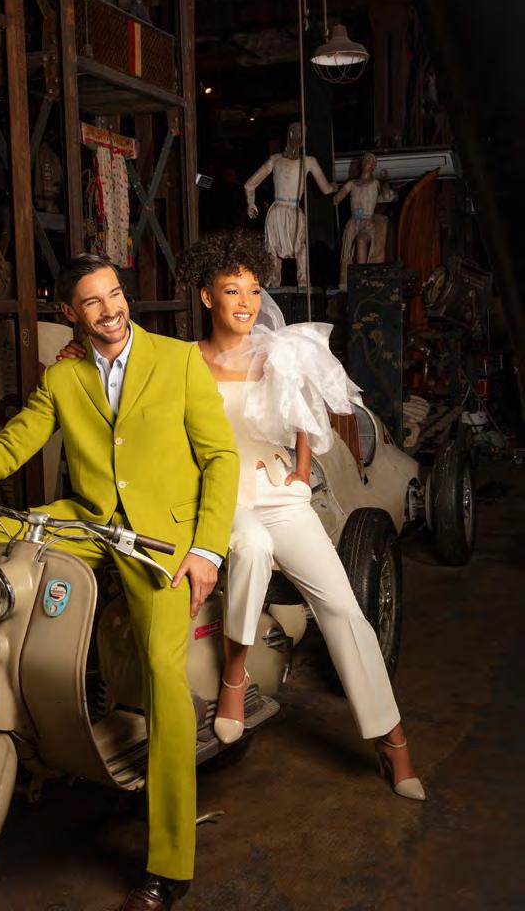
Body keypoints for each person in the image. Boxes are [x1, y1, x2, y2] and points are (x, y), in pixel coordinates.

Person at [0, 255, 240, 911]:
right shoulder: (63, 376)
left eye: (115, 294)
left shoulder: (178, 361)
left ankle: (170, 863)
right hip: (88, 521)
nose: (111, 310)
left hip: (163, 541)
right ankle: (3, 708)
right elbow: (12, 445)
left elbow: (220, 457)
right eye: (93, 301)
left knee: (163, 676)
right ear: (70, 312)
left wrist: (205, 551)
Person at [180, 230, 425, 801]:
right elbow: (124, 367)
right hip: (219, 498)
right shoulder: (182, 361)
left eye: (254, 290)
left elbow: (302, 415)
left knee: (342, 607)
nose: (246, 302)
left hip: (277, 491)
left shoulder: (278, 353)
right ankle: (235, 676)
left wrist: (302, 469)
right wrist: (77, 353)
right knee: (253, 549)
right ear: (207, 297)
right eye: (232, 290)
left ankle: (391, 739)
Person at [244, 122, 337, 288]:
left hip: (293, 212)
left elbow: (325, 189)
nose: (300, 137)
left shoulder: (309, 161)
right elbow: (249, 184)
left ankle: (303, 284)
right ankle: (273, 288)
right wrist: (250, 203)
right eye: (297, 133)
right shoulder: (275, 159)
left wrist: (334, 187)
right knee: (273, 254)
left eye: (303, 134)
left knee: (300, 249)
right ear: (290, 134)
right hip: (277, 212)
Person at [333, 152, 397, 289]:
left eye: (370, 159)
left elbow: (387, 197)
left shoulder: (375, 183)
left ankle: (361, 278)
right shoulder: (352, 183)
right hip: (352, 223)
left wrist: (385, 182)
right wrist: (334, 190)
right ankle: (343, 285)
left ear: (374, 166)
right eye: (365, 159)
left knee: (361, 240)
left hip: (367, 223)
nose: (366, 161)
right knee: (347, 255)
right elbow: (337, 199)